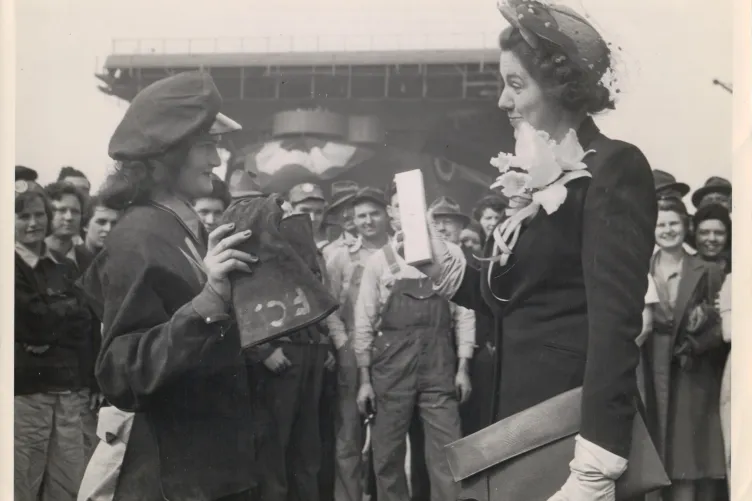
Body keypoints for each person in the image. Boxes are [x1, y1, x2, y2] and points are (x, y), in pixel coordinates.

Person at [418, 3, 658, 499]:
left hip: (570, 438)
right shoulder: (537, 177)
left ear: (560, 87)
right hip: (519, 425)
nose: (503, 101)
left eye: (516, 84)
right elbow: (520, 301)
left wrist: (598, 461)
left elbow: (615, 326)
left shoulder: (614, 168)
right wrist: (447, 268)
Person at [79, 71, 258, 501]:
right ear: (163, 156)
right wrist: (209, 302)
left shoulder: (179, 225)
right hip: (169, 476)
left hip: (211, 467)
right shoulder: (136, 238)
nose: (217, 160)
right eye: (205, 145)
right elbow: (121, 372)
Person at [354, 187, 474, 501]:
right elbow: (364, 323)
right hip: (391, 371)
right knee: (387, 454)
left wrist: (463, 368)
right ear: (391, 213)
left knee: (449, 452)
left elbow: (465, 315)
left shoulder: (450, 255)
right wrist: (365, 381)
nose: (405, 212)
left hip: (439, 368)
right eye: (398, 206)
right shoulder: (381, 262)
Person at [641, 198, 726, 501]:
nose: (667, 230)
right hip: (652, 375)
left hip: (693, 379)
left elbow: (724, 327)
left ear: (686, 226)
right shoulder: (642, 268)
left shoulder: (708, 271)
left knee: (689, 463)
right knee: (654, 461)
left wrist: (699, 339)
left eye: (674, 223)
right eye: (661, 224)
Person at [14, 180, 92, 501]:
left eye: (38, 215)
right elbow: (36, 324)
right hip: (28, 394)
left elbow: (85, 318)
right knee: (23, 483)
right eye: (22, 216)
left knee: (68, 485)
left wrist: (51, 321)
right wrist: (61, 315)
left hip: (67, 390)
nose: (33, 223)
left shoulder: (65, 265)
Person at [325, 187, 392, 501]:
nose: (368, 221)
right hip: (352, 350)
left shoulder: (399, 250)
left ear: (387, 214)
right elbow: (328, 310)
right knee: (348, 435)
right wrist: (341, 345)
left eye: (374, 213)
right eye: (361, 215)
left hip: (393, 350)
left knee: (390, 434)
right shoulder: (341, 258)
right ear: (352, 220)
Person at [320, 180, 360, 261]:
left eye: (350, 207)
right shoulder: (330, 252)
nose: (345, 215)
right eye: (339, 210)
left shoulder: (382, 241)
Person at [690, 204, 731, 275]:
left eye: (719, 233)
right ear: (694, 234)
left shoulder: (738, 268)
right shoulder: (682, 267)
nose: (712, 238)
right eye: (704, 233)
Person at [287, 182, 329, 248]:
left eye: (318, 212)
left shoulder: (329, 250)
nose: (312, 218)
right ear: (290, 212)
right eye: (305, 211)